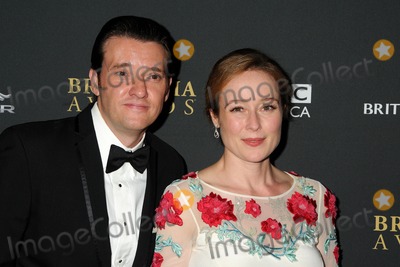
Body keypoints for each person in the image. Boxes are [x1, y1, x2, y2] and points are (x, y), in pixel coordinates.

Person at [0, 16, 187, 267]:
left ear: (167, 89)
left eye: (153, 76)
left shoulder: (171, 165)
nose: (139, 90)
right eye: (122, 73)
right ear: (95, 81)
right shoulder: (28, 150)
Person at [151, 48, 339, 267]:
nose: (254, 124)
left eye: (267, 107)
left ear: (283, 111)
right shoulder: (184, 198)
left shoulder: (315, 197)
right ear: (215, 117)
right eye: (238, 108)